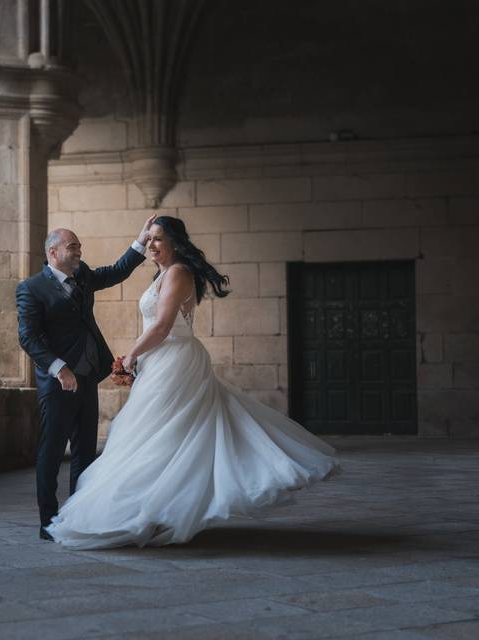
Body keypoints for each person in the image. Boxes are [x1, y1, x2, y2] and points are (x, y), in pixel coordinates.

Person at [45, 216, 339, 549]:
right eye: (150, 240)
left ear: (175, 242)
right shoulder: (163, 273)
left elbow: (162, 327)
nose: (152, 245)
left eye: (158, 239)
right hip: (160, 361)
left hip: (175, 359)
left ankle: (155, 511)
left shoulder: (179, 273)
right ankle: (157, 510)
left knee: (162, 435)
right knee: (159, 436)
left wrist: (130, 357)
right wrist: (139, 359)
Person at [16, 215, 157, 541]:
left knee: (85, 453)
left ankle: (77, 517)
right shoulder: (30, 289)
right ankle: (48, 522)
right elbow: (29, 338)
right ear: (53, 252)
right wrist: (59, 369)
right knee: (51, 453)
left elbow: (115, 272)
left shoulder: (81, 276)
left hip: (89, 378)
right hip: (57, 384)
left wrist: (139, 242)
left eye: (79, 246)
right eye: (72, 246)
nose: (79, 251)